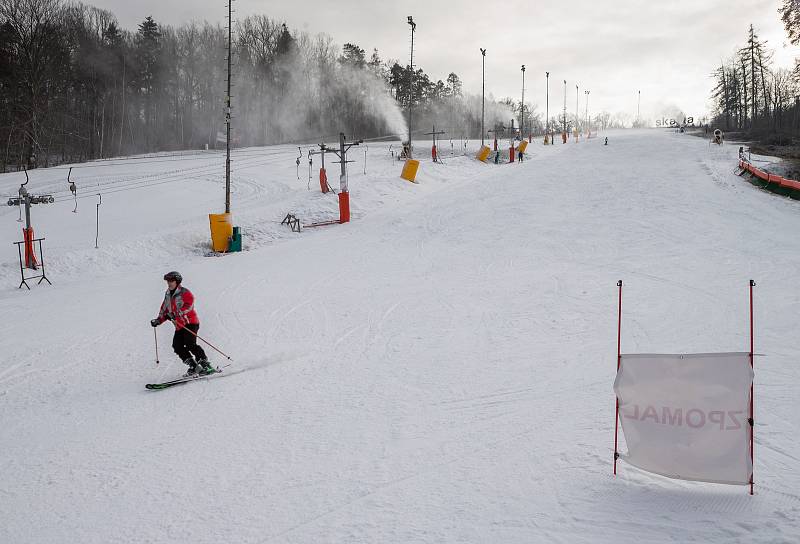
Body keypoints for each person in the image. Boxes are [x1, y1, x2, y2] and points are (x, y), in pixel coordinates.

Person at [151, 271, 214, 376]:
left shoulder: (185, 292)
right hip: (179, 326)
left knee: (190, 344)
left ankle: (205, 364)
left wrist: (175, 314)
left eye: (171, 281)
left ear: (177, 281)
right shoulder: (167, 294)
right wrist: (158, 320)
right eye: (168, 281)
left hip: (190, 323)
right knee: (177, 346)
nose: (169, 283)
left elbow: (189, 306)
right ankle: (194, 366)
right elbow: (164, 310)